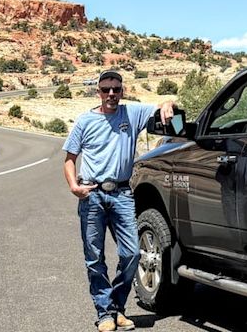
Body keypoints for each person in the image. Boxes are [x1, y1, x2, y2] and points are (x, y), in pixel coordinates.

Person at [62, 69, 174, 332]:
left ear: (122, 91)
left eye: (116, 89)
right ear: (98, 91)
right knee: (94, 257)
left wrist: (168, 103)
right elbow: (69, 158)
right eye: (106, 89)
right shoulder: (84, 121)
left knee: (132, 253)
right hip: (92, 195)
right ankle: (105, 314)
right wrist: (74, 186)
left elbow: (163, 107)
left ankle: (116, 308)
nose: (111, 94)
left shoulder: (131, 113)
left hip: (122, 194)